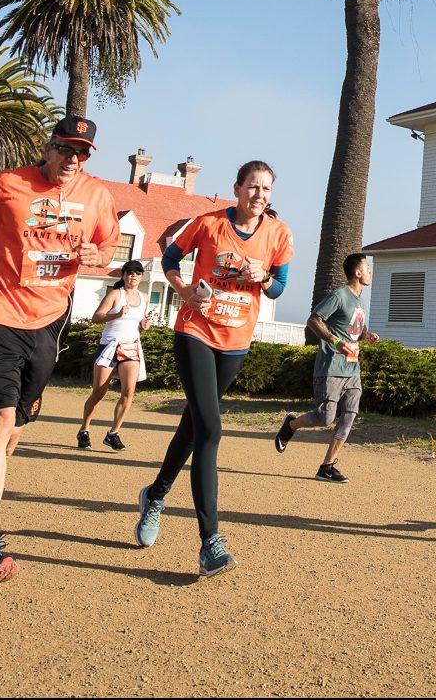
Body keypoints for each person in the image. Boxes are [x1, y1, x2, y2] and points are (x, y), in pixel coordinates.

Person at [0, 115, 117, 590]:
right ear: (49, 146)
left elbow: (109, 242)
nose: (72, 159)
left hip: (48, 323)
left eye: (81, 152)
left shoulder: (98, 195)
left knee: (15, 430)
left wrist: (99, 258)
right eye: (65, 149)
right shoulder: (8, 184)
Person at [133, 160, 293, 578]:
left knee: (194, 425)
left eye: (266, 190)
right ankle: (210, 543)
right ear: (237, 188)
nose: (259, 195)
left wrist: (263, 279)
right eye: (252, 187)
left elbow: (281, 284)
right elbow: (169, 256)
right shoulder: (207, 225)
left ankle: (154, 495)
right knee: (212, 428)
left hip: (236, 343)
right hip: (195, 332)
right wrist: (184, 289)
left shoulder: (278, 234)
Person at [275, 252, 380, 483]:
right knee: (325, 418)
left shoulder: (359, 300)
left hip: (352, 370)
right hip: (331, 367)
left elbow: (354, 330)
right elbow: (314, 320)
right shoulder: (339, 295)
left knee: (349, 415)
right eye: (367, 268)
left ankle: (327, 466)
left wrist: (366, 336)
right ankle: (291, 425)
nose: (370, 272)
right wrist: (335, 342)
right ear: (358, 272)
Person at [78, 260, 149, 452]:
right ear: (123, 276)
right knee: (99, 392)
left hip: (131, 347)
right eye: (129, 273)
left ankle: (113, 434)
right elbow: (96, 317)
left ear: (141, 276)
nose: (132, 276)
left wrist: (143, 327)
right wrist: (115, 315)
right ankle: (84, 429)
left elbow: (137, 324)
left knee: (128, 392)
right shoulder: (115, 294)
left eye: (136, 273)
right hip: (109, 346)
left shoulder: (144, 297)